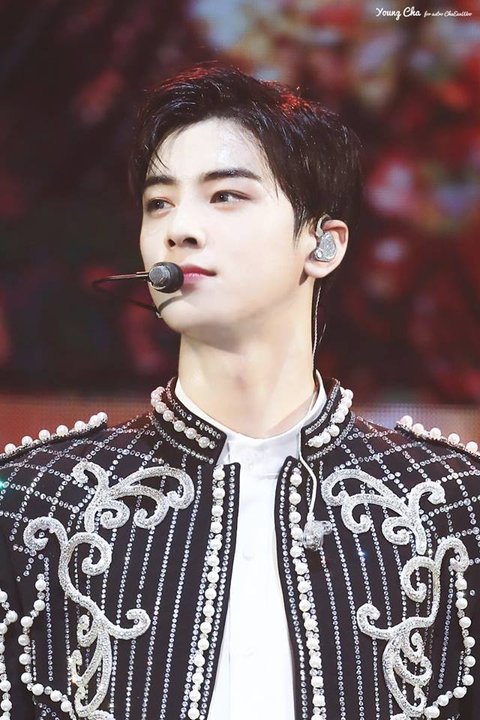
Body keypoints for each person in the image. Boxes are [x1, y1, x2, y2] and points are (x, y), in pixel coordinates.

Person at [0, 64, 479, 720]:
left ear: (322, 245)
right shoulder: (36, 502)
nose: (179, 228)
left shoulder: (452, 505)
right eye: (159, 203)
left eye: (224, 195)